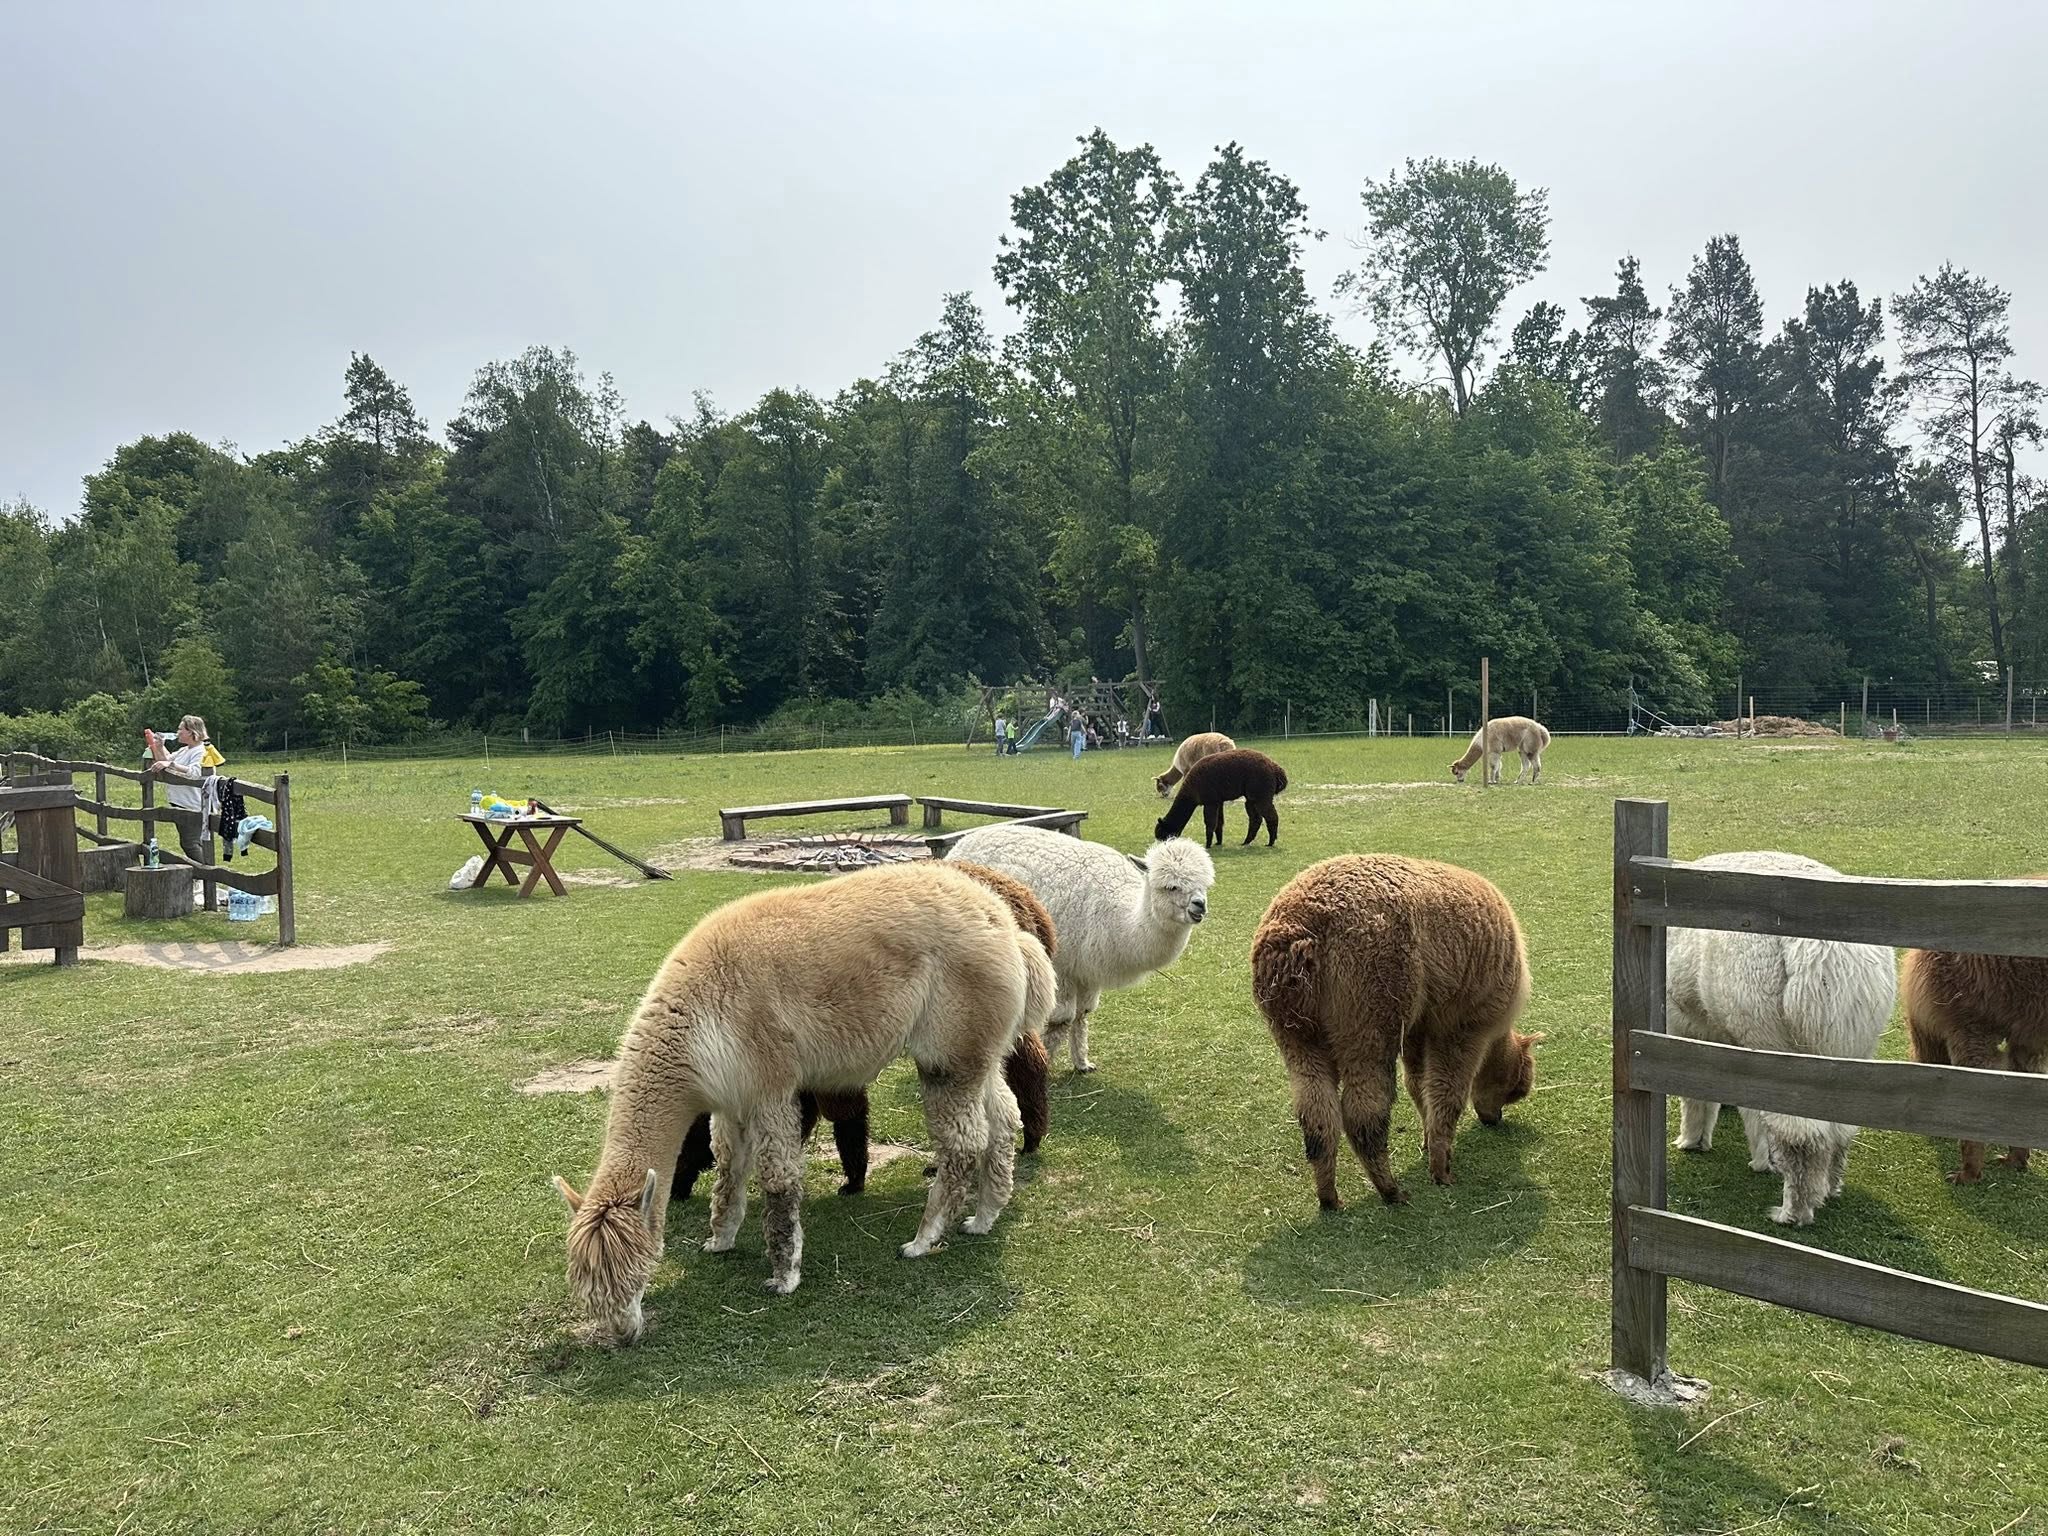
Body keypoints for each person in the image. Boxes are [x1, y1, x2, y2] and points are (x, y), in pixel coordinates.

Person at [144, 715, 213, 863]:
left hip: (193, 804)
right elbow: (165, 761)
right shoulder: (184, 750)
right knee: (189, 843)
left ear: (192, 732)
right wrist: (159, 747)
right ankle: (205, 873)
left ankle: (209, 873)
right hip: (182, 803)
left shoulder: (201, 751)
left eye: (181, 729)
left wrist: (171, 764)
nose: (178, 732)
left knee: (191, 844)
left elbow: (195, 772)